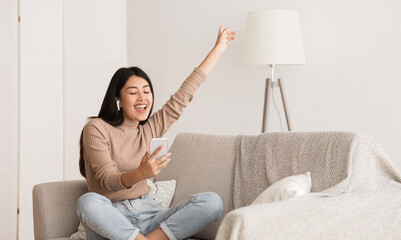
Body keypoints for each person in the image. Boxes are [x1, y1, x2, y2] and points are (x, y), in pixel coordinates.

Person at [76, 25, 237, 240]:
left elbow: (184, 95)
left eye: (146, 91)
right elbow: (107, 180)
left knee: (212, 202)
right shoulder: (96, 129)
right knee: (87, 202)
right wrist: (140, 173)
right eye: (133, 92)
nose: (142, 98)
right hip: (113, 220)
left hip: (150, 216)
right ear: (118, 99)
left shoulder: (150, 128)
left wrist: (218, 49)